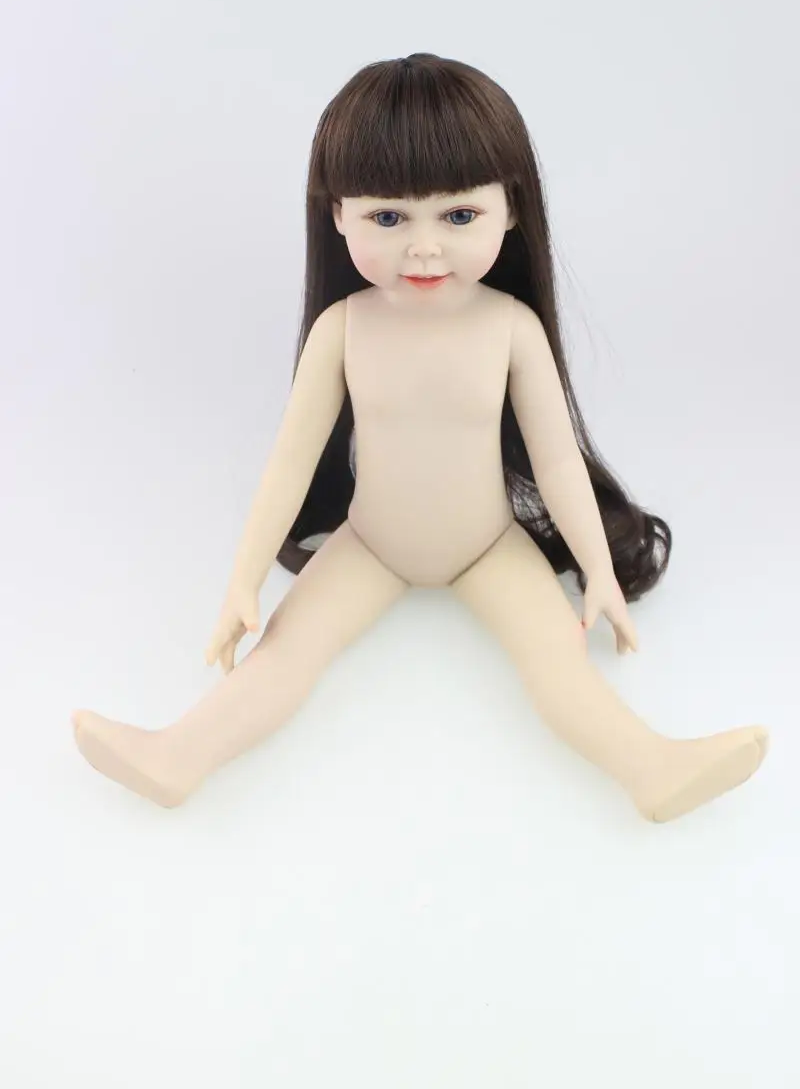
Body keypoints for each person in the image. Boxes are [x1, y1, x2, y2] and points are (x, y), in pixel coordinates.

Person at [72, 53, 768, 819]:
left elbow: (557, 461)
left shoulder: (512, 328)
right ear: (338, 214)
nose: (425, 248)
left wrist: (597, 569)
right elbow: (290, 463)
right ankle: (175, 757)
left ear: (512, 209)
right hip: (370, 544)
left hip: (489, 546)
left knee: (559, 667)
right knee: (284, 657)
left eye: (459, 216)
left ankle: (653, 770)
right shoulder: (343, 330)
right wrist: (243, 580)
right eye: (388, 218)